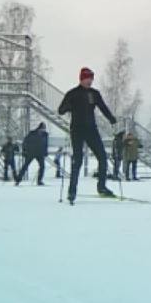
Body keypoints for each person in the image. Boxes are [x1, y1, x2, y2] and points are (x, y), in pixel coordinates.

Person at [57, 67, 119, 203]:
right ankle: (72, 191)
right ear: (81, 79)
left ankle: (101, 187)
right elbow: (61, 110)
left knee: (102, 157)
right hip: (77, 130)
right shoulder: (72, 93)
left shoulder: (94, 93)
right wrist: (68, 106)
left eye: (91, 78)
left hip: (91, 129)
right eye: (87, 78)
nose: (89, 81)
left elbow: (103, 107)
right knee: (77, 161)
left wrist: (111, 118)